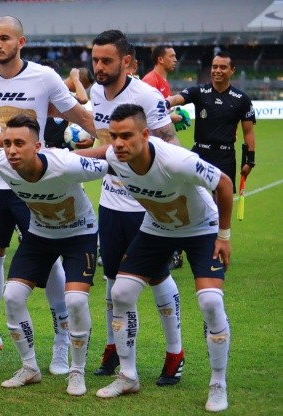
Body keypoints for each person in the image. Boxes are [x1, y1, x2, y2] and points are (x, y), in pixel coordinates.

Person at [0, 16, 98, 375]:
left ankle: (62, 343)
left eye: (4, 38)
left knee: (48, 266)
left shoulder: (45, 76)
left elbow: (76, 113)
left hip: (34, 184)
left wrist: (109, 138)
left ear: (21, 42)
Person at [93, 104, 233, 413]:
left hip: (201, 229)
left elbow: (224, 183)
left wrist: (224, 236)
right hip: (157, 229)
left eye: (126, 136)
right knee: (121, 292)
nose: (118, 143)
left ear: (145, 134)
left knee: (211, 302)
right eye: (114, 136)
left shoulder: (178, 161)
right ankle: (128, 376)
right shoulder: (116, 155)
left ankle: (218, 384)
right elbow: (90, 156)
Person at [88, 29, 186, 386]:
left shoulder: (145, 94)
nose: (98, 67)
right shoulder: (96, 93)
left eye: (106, 60)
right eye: (95, 59)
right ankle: (115, 347)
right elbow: (103, 142)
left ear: (126, 62)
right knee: (114, 280)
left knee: (158, 275)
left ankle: (175, 352)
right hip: (111, 201)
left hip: (148, 205)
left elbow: (169, 141)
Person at [0, 115, 106, 394]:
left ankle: (76, 372)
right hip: (40, 235)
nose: (12, 150)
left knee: (76, 301)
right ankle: (30, 367)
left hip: (79, 234)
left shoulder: (66, 164)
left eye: (19, 143)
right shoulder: (2, 163)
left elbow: (109, 160)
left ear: (38, 146)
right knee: (12, 297)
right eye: (7, 143)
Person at [167, 51, 256, 195]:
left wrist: (249, 161)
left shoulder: (242, 99)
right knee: (184, 194)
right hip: (200, 153)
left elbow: (249, 133)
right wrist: (167, 102)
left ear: (232, 70)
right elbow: (179, 98)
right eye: (215, 67)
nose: (217, 71)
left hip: (225, 157)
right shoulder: (199, 91)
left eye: (222, 67)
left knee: (220, 206)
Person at [143, 44, 187, 270]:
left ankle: (171, 251)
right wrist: (174, 118)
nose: (175, 59)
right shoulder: (150, 82)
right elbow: (146, 116)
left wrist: (172, 117)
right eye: (172, 56)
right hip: (152, 152)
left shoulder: (163, 82)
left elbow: (160, 114)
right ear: (160, 59)